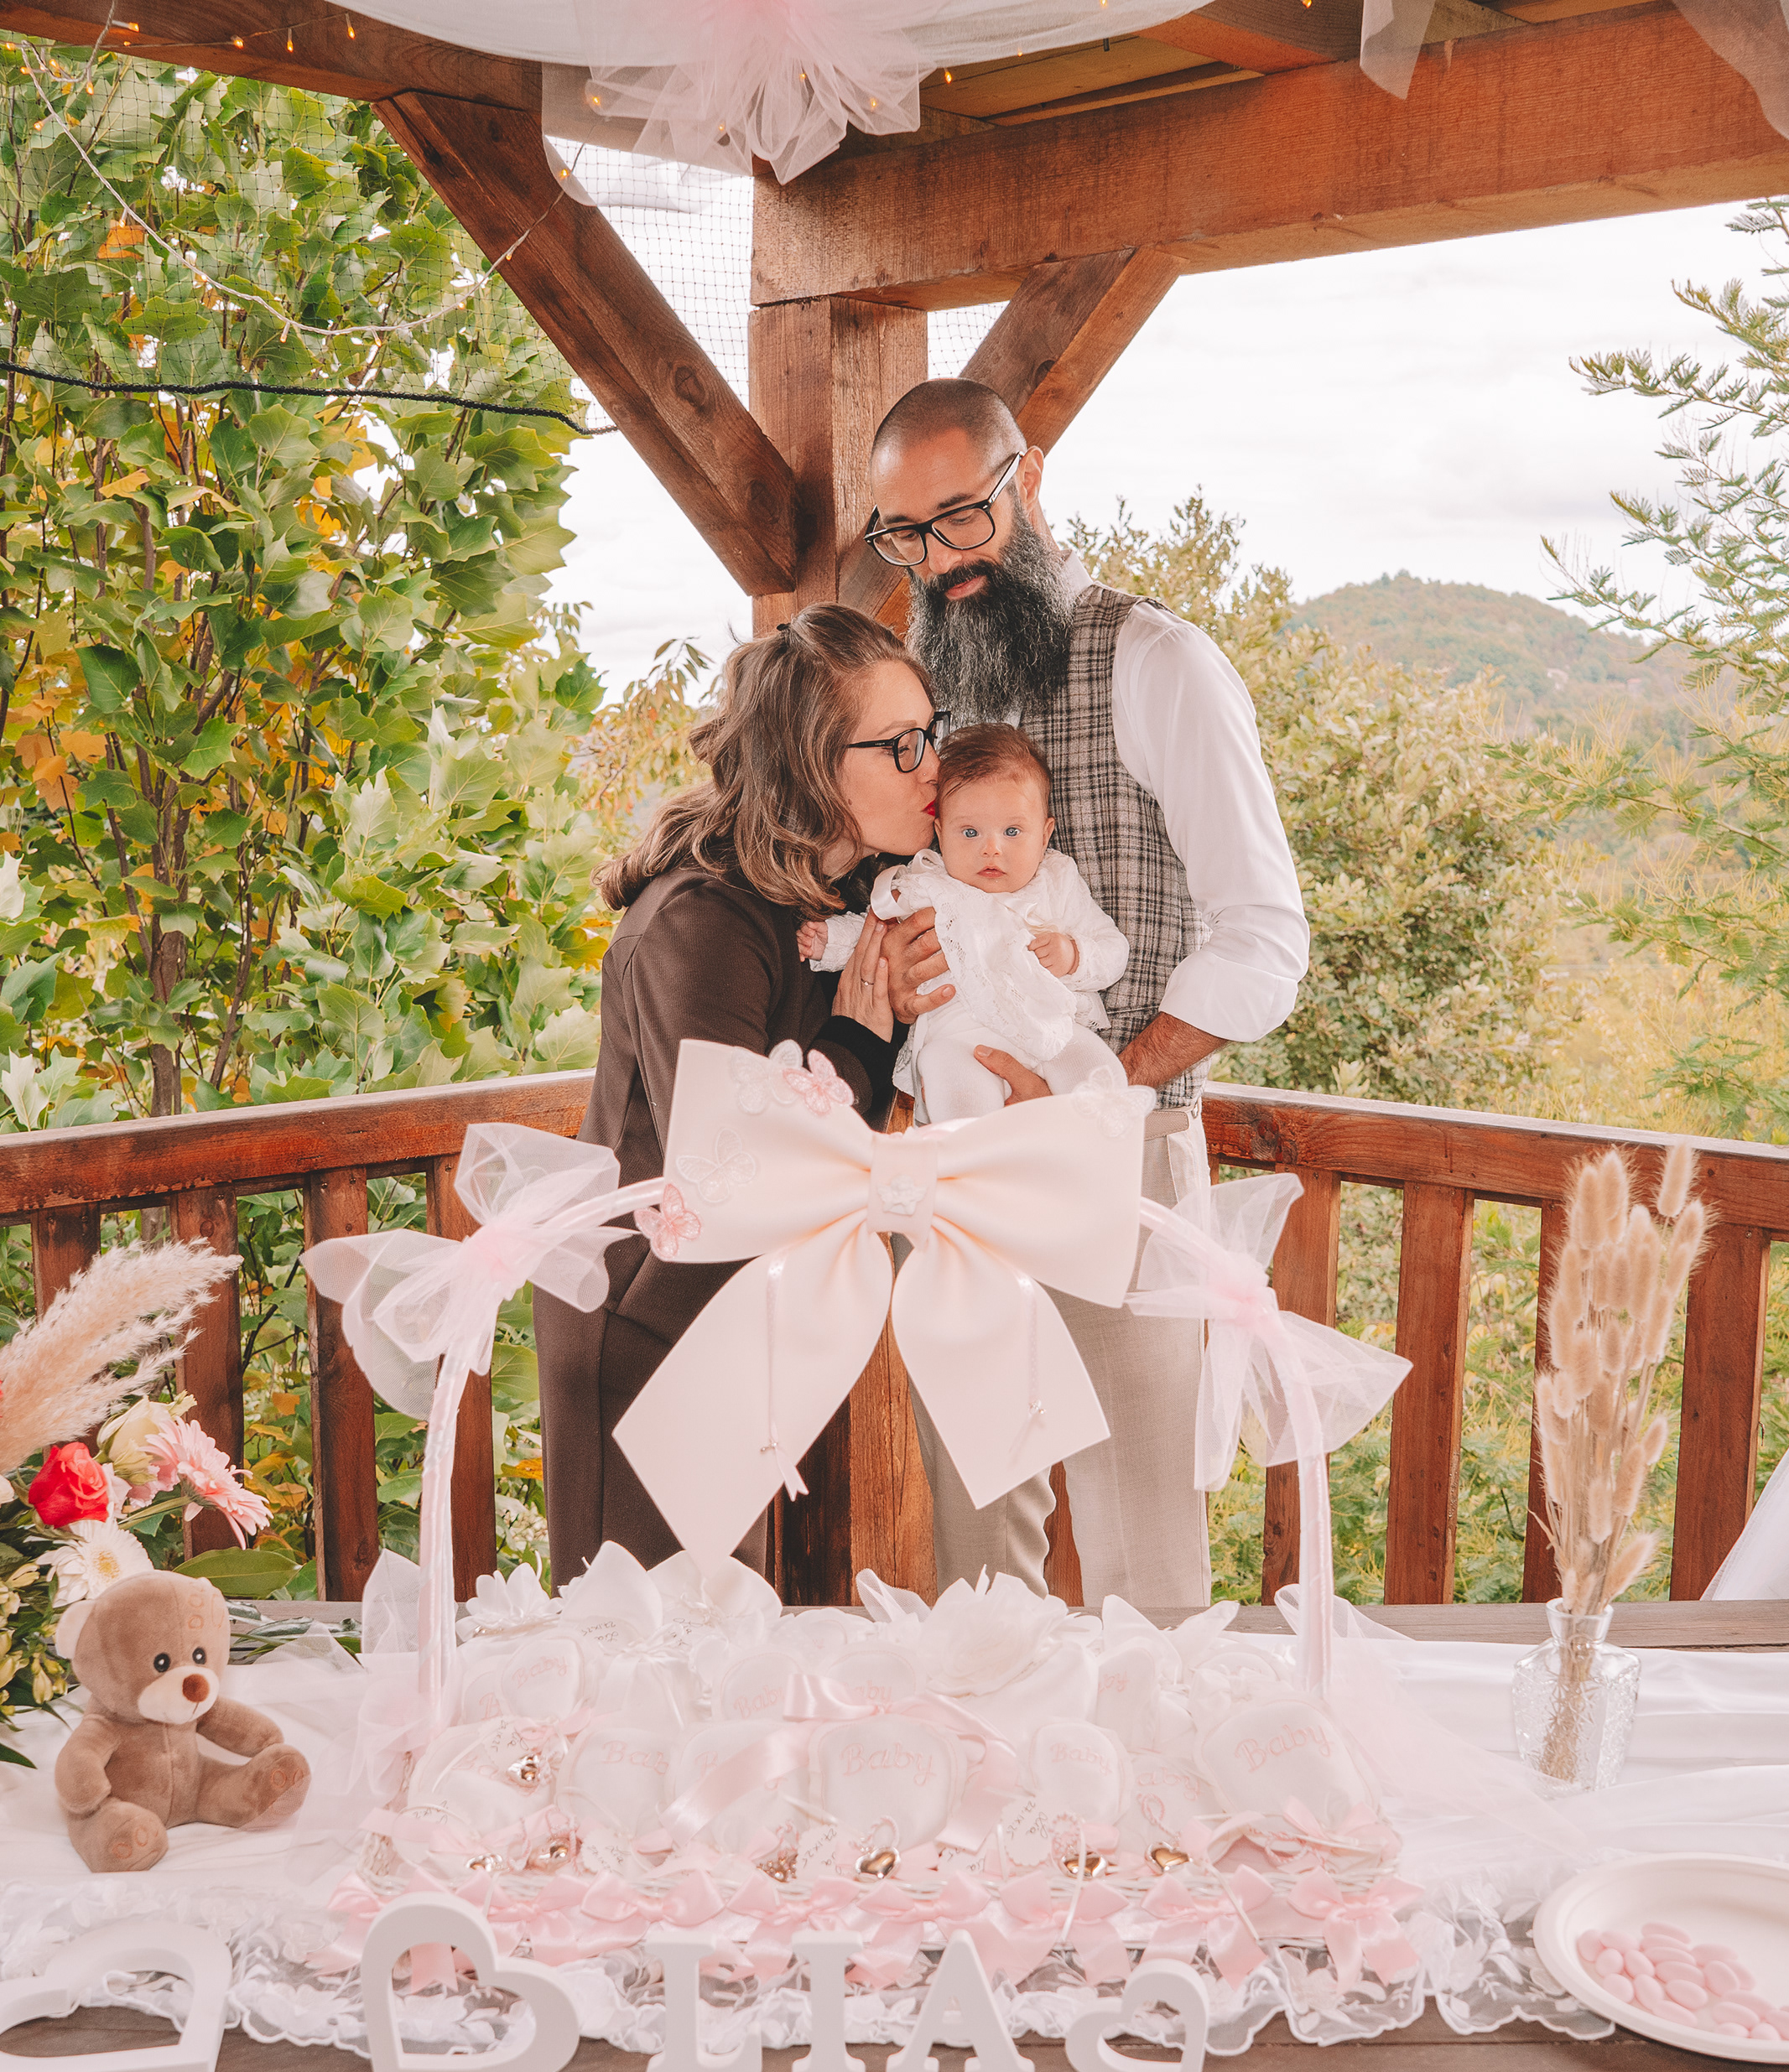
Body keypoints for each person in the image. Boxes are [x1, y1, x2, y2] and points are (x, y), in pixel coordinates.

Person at [862, 376, 1310, 1611]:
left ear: (1031, 477)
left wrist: (1107, 1084)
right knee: (979, 1551)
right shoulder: (920, 689)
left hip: (1124, 1153)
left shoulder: (1161, 664)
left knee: (1144, 1563)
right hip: (957, 1171)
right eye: (906, 535)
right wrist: (890, 971)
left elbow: (1265, 940)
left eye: (963, 516)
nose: (939, 560)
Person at [538, 603, 944, 1581]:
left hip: (740, 1306)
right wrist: (862, 1034)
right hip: (646, 1321)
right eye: (901, 745)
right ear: (812, 763)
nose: (932, 765)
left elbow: (836, 1126)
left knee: (726, 1617)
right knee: (643, 1629)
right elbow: (734, 1165)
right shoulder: (701, 919)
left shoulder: (844, 904)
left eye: (932, 733)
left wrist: (887, 1023)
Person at [799, 720, 1130, 1123]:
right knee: (950, 1083)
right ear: (940, 834)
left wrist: (1074, 955)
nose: (991, 849)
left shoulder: (1056, 881)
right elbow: (875, 930)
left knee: (1097, 1069)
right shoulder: (929, 884)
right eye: (970, 832)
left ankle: (1094, 1148)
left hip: (1048, 1026)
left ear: (1045, 835)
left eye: (1012, 831)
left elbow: (1113, 949)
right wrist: (828, 940)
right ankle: (966, 1155)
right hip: (957, 1036)